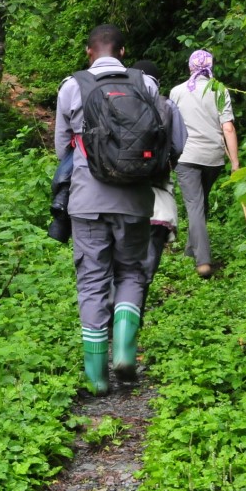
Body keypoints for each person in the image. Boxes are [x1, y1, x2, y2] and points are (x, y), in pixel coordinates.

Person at [55, 24, 168, 394]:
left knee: (92, 280)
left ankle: (97, 377)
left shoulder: (73, 86)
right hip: (135, 200)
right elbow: (163, 138)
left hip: (87, 201)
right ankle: (123, 350)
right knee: (132, 272)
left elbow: (62, 151)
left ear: (89, 53)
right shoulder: (146, 85)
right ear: (123, 51)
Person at [169, 49, 241, 278]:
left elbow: (169, 124)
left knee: (195, 205)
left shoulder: (177, 92)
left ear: (190, 67)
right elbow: (227, 127)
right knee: (200, 203)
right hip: (213, 158)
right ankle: (191, 250)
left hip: (186, 156)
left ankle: (203, 261)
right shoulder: (220, 90)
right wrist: (235, 163)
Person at [129, 60, 187, 309]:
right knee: (151, 245)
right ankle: (136, 305)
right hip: (157, 190)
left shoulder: (112, 100)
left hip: (120, 191)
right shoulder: (167, 105)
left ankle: (113, 311)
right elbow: (179, 145)